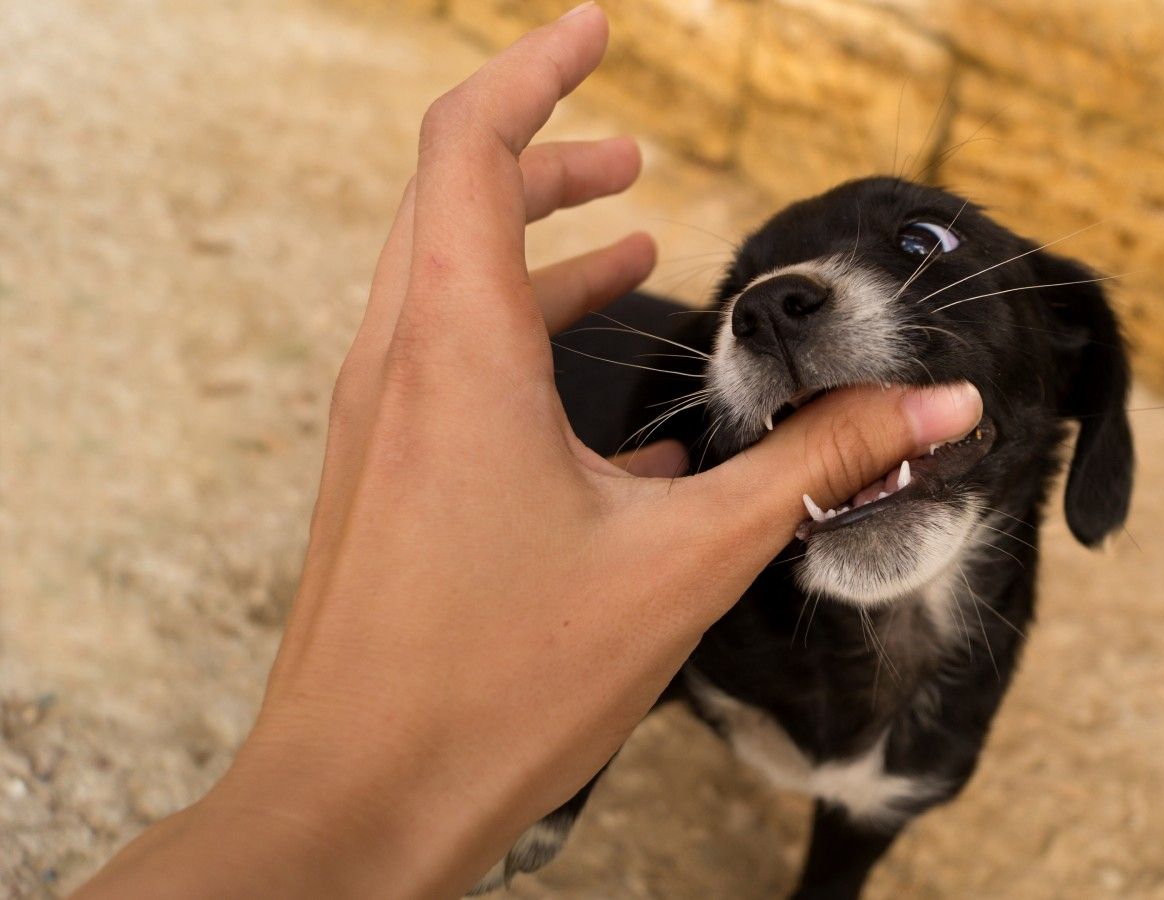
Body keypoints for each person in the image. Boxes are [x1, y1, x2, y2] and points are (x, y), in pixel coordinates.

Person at [73, 4, 983, 897]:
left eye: (923, 239)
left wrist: (317, 791)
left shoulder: (947, 735)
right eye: (741, 294)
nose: (773, 306)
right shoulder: (719, 588)